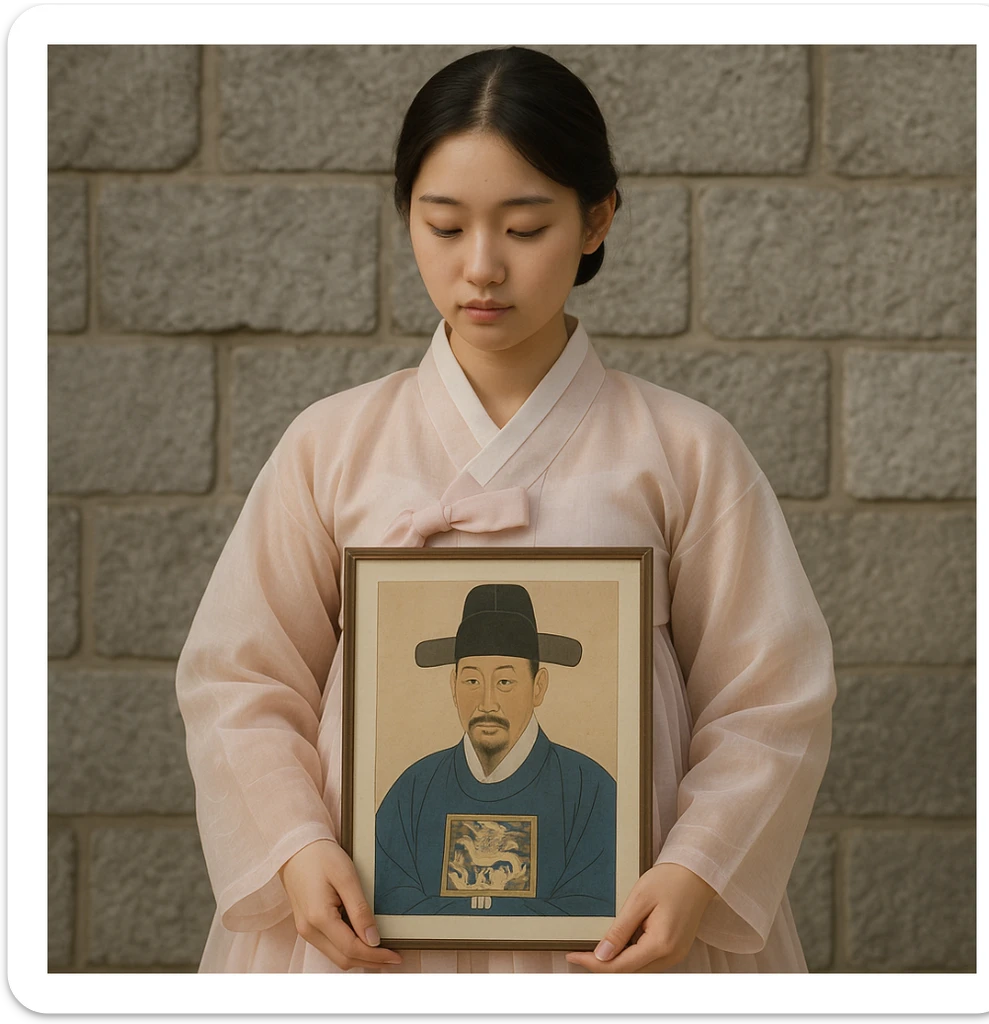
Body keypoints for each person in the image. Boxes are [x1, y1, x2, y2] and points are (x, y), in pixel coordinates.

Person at [175, 45, 836, 974]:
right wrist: (293, 843)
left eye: (525, 229)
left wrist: (699, 867)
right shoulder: (332, 444)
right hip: (367, 922)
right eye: (443, 226)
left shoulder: (685, 449)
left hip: (630, 920)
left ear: (596, 219)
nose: (480, 267)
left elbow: (771, 694)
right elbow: (239, 681)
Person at [374, 583, 616, 916]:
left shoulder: (590, 790)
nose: (487, 703)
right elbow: (386, 897)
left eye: (505, 682)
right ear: (453, 686)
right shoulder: (414, 788)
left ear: (538, 687)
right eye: (472, 681)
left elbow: (596, 909)